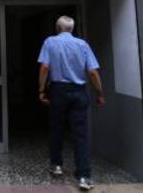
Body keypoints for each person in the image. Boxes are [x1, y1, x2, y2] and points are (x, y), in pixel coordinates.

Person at [37, 15, 105, 191]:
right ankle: (84, 176)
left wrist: (41, 90)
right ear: (72, 29)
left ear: (57, 28)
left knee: (56, 128)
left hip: (58, 90)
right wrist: (99, 93)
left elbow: (45, 67)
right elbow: (92, 72)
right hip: (79, 91)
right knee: (80, 134)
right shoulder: (82, 45)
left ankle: (57, 165)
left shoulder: (50, 42)